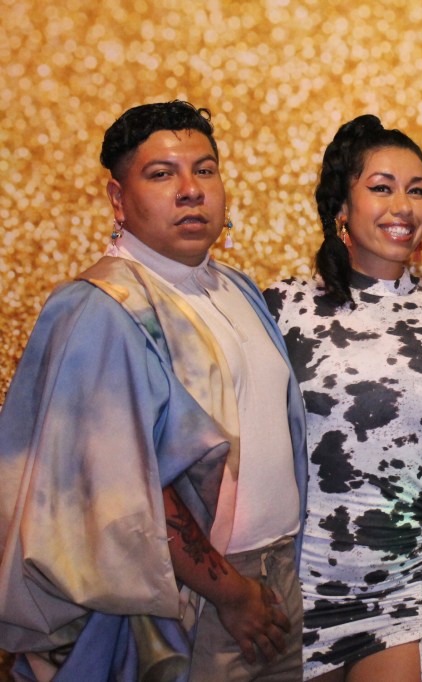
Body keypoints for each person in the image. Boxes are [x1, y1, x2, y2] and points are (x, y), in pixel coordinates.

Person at [0, 101, 307, 681]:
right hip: (186, 604)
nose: (191, 190)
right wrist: (231, 591)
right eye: (162, 174)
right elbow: (117, 486)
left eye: (205, 170)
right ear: (118, 200)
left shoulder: (236, 288)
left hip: (280, 576)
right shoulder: (101, 308)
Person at [263, 115, 422, 682]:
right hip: (303, 577)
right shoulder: (284, 309)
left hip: (417, 577)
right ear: (342, 205)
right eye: (382, 187)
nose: (403, 207)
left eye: (418, 190)